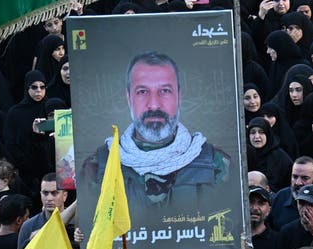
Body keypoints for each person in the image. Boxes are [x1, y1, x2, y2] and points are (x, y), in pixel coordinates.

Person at [81, 51, 229, 213]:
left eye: (164, 91)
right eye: (142, 92)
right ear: (128, 97)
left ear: (179, 96)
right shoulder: (98, 166)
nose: (153, 105)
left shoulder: (215, 163)